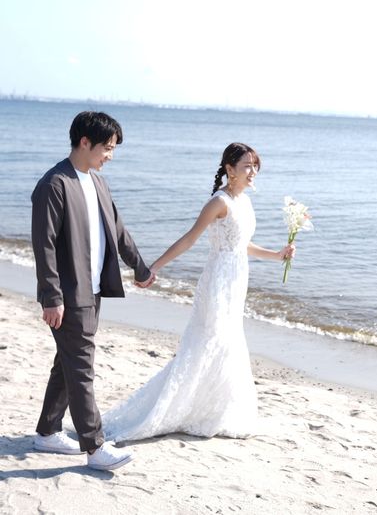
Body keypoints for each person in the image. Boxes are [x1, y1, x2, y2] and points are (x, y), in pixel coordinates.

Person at [102, 143, 295, 442]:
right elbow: (189, 239)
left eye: (255, 165)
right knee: (210, 341)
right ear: (230, 169)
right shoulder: (219, 202)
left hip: (237, 279)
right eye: (247, 165)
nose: (253, 171)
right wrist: (153, 268)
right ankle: (183, 409)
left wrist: (277, 255)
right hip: (218, 281)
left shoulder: (244, 201)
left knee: (227, 342)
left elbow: (242, 245)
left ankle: (215, 411)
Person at [31, 111, 155, 471]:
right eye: (107, 148)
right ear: (85, 142)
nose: (110, 156)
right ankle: (95, 447)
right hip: (69, 295)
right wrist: (52, 297)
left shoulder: (97, 182)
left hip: (94, 290)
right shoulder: (54, 184)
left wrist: (140, 268)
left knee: (68, 363)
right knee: (81, 367)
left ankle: (47, 432)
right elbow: (44, 245)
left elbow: (118, 230)